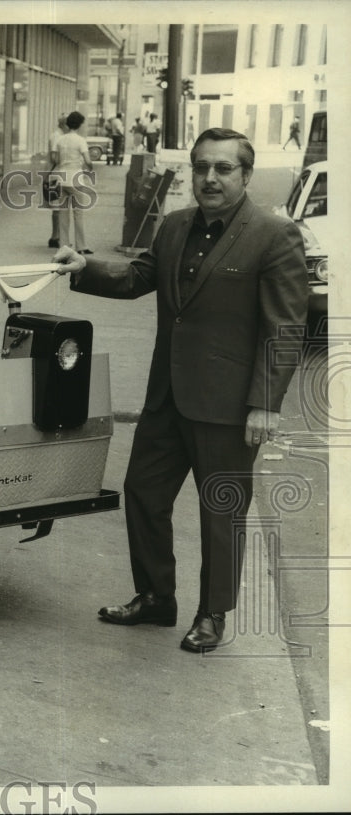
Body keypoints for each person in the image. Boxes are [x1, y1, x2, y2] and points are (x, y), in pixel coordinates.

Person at [52, 128, 308, 653]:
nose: (210, 178)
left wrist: (265, 402)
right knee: (143, 494)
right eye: (201, 168)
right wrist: (86, 268)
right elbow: (140, 274)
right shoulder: (173, 227)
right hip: (167, 396)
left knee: (221, 511)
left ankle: (211, 614)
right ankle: (155, 598)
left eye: (223, 169)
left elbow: (284, 328)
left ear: (245, 175)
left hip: (229, 405)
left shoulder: (273, 236)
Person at [53, 111, 94, 254]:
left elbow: (56, 161)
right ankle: (81, 246)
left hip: (62, 179)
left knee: (63, 214)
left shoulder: (60, 140)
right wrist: (89, 168)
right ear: (79, 125)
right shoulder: (80, 140)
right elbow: (88, 161)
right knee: (78, 214)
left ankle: (63, 246)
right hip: (76, 180)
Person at [46, 113, 69, 248]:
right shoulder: (57, 136)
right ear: (63, 125)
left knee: (58, 207)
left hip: (55, 173)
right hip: (55, 173)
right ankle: (55, 236)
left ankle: (57, 236)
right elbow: (55, 157)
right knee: (57, 207)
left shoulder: (58, 135)